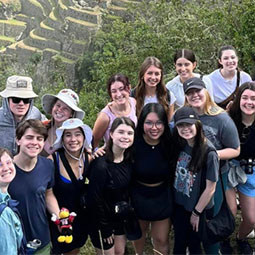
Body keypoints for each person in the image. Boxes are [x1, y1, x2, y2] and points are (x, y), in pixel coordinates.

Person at [183, 77, 240, 254]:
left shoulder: (221, 118)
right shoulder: (184, 115)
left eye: (197, 91)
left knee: (210, 219)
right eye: (190, 93)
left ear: (206, 91)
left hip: (215, 175)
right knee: (190, 216)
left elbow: (235, 149)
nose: (195, 96)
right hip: (189, 176)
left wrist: (213, 155)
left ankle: (213, 250)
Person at [8, 119, 60, 254]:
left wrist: (59, 218)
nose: (35, 143)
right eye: (29, 137)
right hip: (12, 242)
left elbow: (48, 194)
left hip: (41, 238)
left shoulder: (47, 165)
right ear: (18, 140)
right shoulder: (6, 170)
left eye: (39, 139)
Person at [172, 106, 218, 254]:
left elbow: (211, 188)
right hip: (179, 204)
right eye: (181, 125)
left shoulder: (209, 152)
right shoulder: (181, 144)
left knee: (194, 245)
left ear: (197, 125)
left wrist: (196, 213)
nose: (185, 129)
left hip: (196, 207)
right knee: (179, 242)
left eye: (189, 124)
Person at [87, 117, 135, 255]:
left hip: (119, 216)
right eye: (121, 132)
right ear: (112, 134)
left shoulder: (129, 160)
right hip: (101, 220)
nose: (125, 137)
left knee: (120, 252)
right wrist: (105, 228)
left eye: (129, 133)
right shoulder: (101, 165)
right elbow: (93, 199)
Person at [131, 103, 174, 255]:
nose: (154, 128)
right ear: (142, 122)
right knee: (139, 234)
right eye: (149, 122)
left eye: (158, 123)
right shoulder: (133, 142)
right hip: (138, 195)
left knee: (161, 239)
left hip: (162, 195)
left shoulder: (170, 142)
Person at [49, 118, 93, 255]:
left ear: (84, 137)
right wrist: (60, 221)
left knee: (74, 248)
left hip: (80, 216)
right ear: (62, 139)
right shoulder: (53, 160)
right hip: (57, 216)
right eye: (68, 135)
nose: (73, 139)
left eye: (77, 134)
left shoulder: (89, 159)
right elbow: (48, 193)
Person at [227, 82, 255, 254]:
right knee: (229, 212)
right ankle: (223, 238)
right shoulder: (228, 118)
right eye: (245, 98)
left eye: (253, 98)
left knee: (251, 219)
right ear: (238, 99)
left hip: (250, 170)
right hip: (228, 168)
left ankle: (241, 238)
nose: (249, 102)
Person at [0, 75, 46, 155]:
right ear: (7, 100)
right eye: (16, 99)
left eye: (26, 100)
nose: (21, 104)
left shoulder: (36, 115)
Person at [93, 74, 137, 151]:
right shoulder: (105, 116)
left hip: (131, 154)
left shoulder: (133, 102)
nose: (119, 94)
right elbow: (93, 141)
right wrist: (96, 151)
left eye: (121, 89)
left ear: (129, 88)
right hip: (112, 157)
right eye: (114, 91)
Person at [41, 88, 85, 156]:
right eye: (58, 105)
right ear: (53, 107)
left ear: (71, 114)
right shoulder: (41, 127)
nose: (60, 109)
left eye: (65, 108)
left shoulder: (76, 135)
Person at [131, 56, 176, 121]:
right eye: (150, 73)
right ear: (142, 75)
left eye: (157, 74)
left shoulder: (168, 96)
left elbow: (169, 123)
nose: (153, 77)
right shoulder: (133, 95)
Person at [0, 148, 23, 255]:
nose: (5, 168)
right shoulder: (3, 213)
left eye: (8, 162)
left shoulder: (6, 199)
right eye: (0, 165)